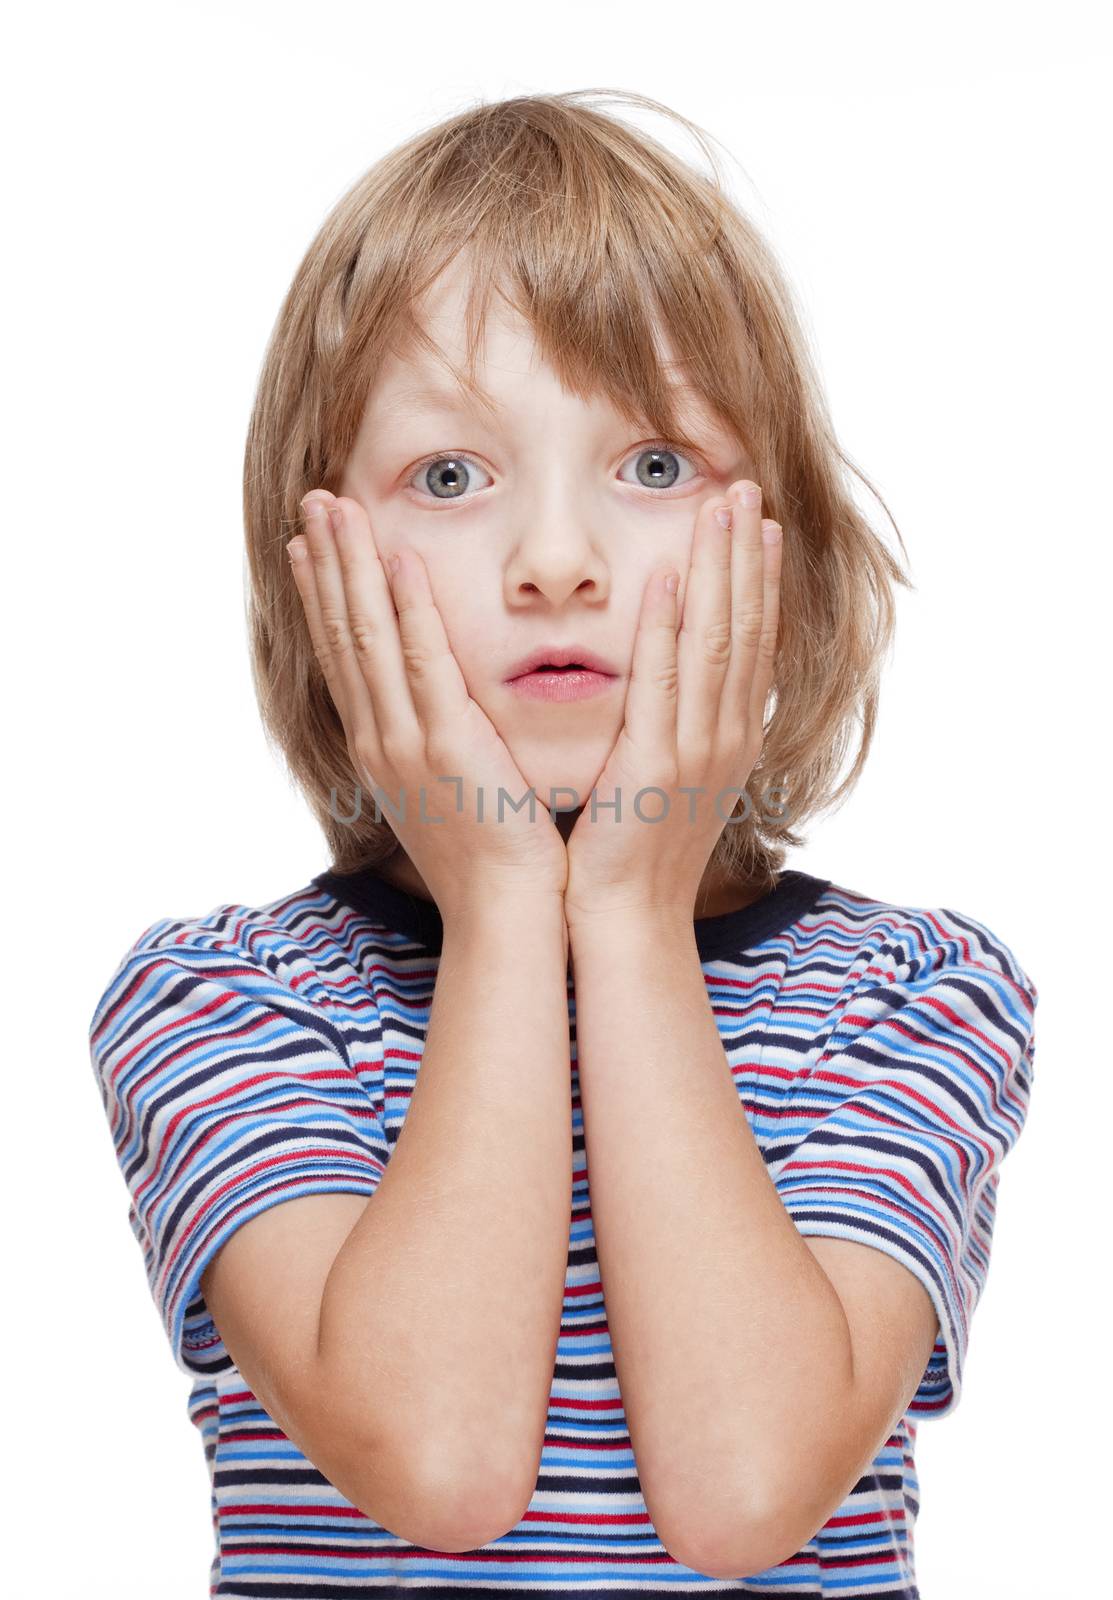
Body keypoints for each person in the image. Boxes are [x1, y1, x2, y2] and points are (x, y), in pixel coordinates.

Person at [87, 88, 1038, 1595]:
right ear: (314, 563)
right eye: (450, 478)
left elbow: (743, 1494)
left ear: (783, 562)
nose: (553, 564)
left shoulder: (912, 994)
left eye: (654, 467)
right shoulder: (223, 1001)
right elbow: (439, 1460)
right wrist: (507, 892)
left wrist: (632, 913)